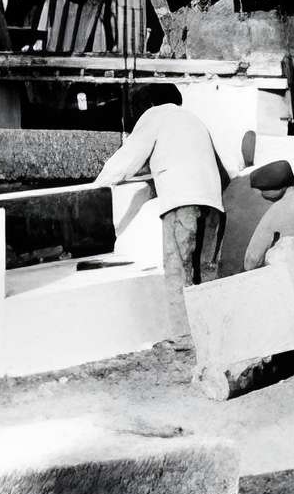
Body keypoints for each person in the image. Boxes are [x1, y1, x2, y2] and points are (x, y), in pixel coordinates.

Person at [94, 83, 227, 337]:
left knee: (178, 270)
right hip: (212, 202)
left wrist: (97, 185)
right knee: (206, 273)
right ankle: (213, 336)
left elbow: (128, 158)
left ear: (150, 103)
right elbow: (220, 170)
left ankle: (182, 338)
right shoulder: (194, 120)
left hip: (181, 201)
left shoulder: (156, 115)